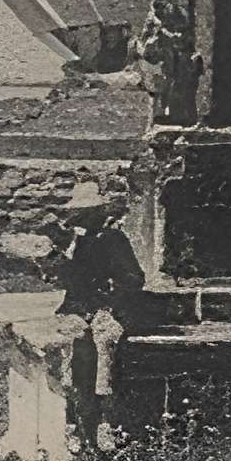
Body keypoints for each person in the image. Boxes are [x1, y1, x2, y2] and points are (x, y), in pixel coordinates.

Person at [53, 178, 141, 420]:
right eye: (79, 214)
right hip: (78, 309)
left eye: (87, 213)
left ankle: (103, 416)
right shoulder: (75, 243)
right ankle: (71, 411)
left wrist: (107, 304)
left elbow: (133, 279)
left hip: (106, 310)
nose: (81, 219)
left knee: (103, 350)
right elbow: (68, 283)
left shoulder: (113, 239)